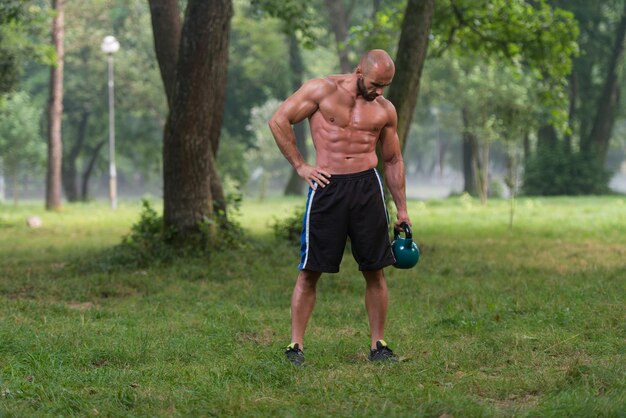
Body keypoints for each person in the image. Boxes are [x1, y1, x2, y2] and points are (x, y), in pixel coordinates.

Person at [268, 49, 411, 366]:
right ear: (360, 71)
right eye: (375, 83)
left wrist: (402, 210)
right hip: (327, 186)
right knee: (310, 271)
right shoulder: (321, 90)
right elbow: (279, 120)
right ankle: (295, 347)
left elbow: (392, 159)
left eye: (385, 86)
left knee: (375, 270)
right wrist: (301, 166)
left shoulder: (385, 110)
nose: (379, 92)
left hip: (367, 188)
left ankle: (379, 346)